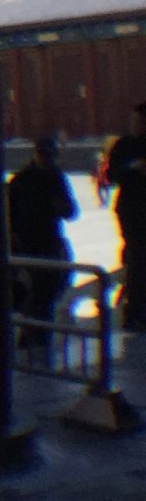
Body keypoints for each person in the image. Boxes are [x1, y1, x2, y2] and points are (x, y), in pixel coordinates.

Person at [7, 135, 78, 351]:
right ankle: (32, 334)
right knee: (41, 289)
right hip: (32, 242)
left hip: (46, 240)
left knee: (45, 289)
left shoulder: (51, 178)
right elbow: (12, 216)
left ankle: (35, 335)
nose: (46, 159)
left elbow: (70, 211)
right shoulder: (23, 181)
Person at [111, 106, 146, 332]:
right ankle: (134, 312)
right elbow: (112, 174)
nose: (136, 125)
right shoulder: (124, 146)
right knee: (138, 259)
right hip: (133, 213)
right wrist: (133, 168)